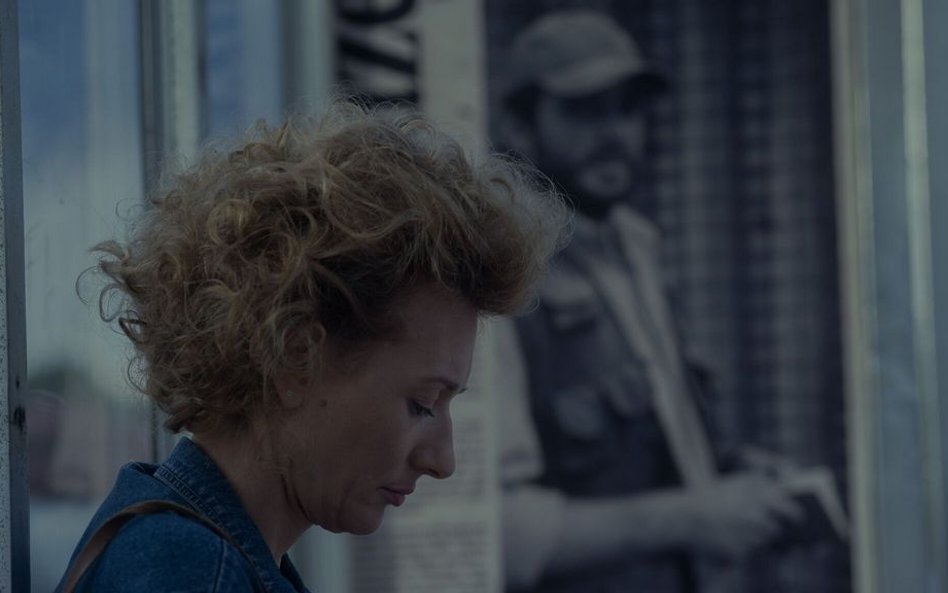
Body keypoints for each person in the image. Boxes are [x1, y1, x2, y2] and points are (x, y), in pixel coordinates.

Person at [55, 98, 568, 592]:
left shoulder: (190, 550)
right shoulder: (192, 571)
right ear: (294, 356)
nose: (442, 460)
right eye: (423, 404)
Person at [493, 10, 804, 593]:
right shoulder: (494, 272)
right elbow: (498, 534)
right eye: (584, 111)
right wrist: (695, 517)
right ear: (520, 124)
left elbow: (649, 444)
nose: (615, 134)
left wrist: (736, 479)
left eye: (628, 109)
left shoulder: (638, 247)